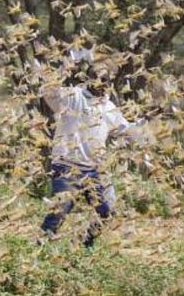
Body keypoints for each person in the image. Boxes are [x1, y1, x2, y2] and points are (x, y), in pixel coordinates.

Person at [35, 46, 152, 247]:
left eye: (105, 80)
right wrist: (68, 61)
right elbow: (49, 90)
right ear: (87, 79)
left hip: (95, 169)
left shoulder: (108, 107)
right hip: (66, 167)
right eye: (96, 78)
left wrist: (146, 119)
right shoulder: (73, 97)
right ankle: (39, 251)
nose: (101, 83)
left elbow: (125, 129)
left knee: (106, 212)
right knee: (60, 210)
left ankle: (83, 245)